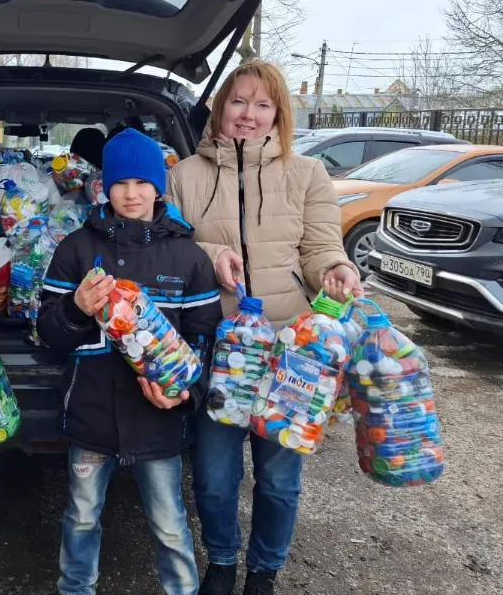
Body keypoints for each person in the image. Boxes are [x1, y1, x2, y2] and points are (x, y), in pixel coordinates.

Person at [162, 60, 363, 595]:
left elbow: (321, 247)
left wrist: (337, 269)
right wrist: (210, 253)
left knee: (278, 479)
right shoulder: (184, 174)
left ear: (278, 114)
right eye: (238, 101)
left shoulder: (307, 174)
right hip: (218, 346)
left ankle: (264, 573)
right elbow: (169, 248)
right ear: (220, 107)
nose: (248, 115)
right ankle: (222, 562)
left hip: (291, 353)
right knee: (214, 476)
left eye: (262, 104)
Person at [36, 128, 223, 595]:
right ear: (104, 186)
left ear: (160, 186)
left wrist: (184, 393)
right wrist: (77, 308)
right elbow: (48, 334)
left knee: (170, 524)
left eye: (143, 182)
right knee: (80, 517)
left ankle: (182, 589)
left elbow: (205, 338)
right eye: (121, 182)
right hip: (92, 414)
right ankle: (75, 588)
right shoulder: (76, 250)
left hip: (157, 418)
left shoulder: (188, 256)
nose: (132, 193)